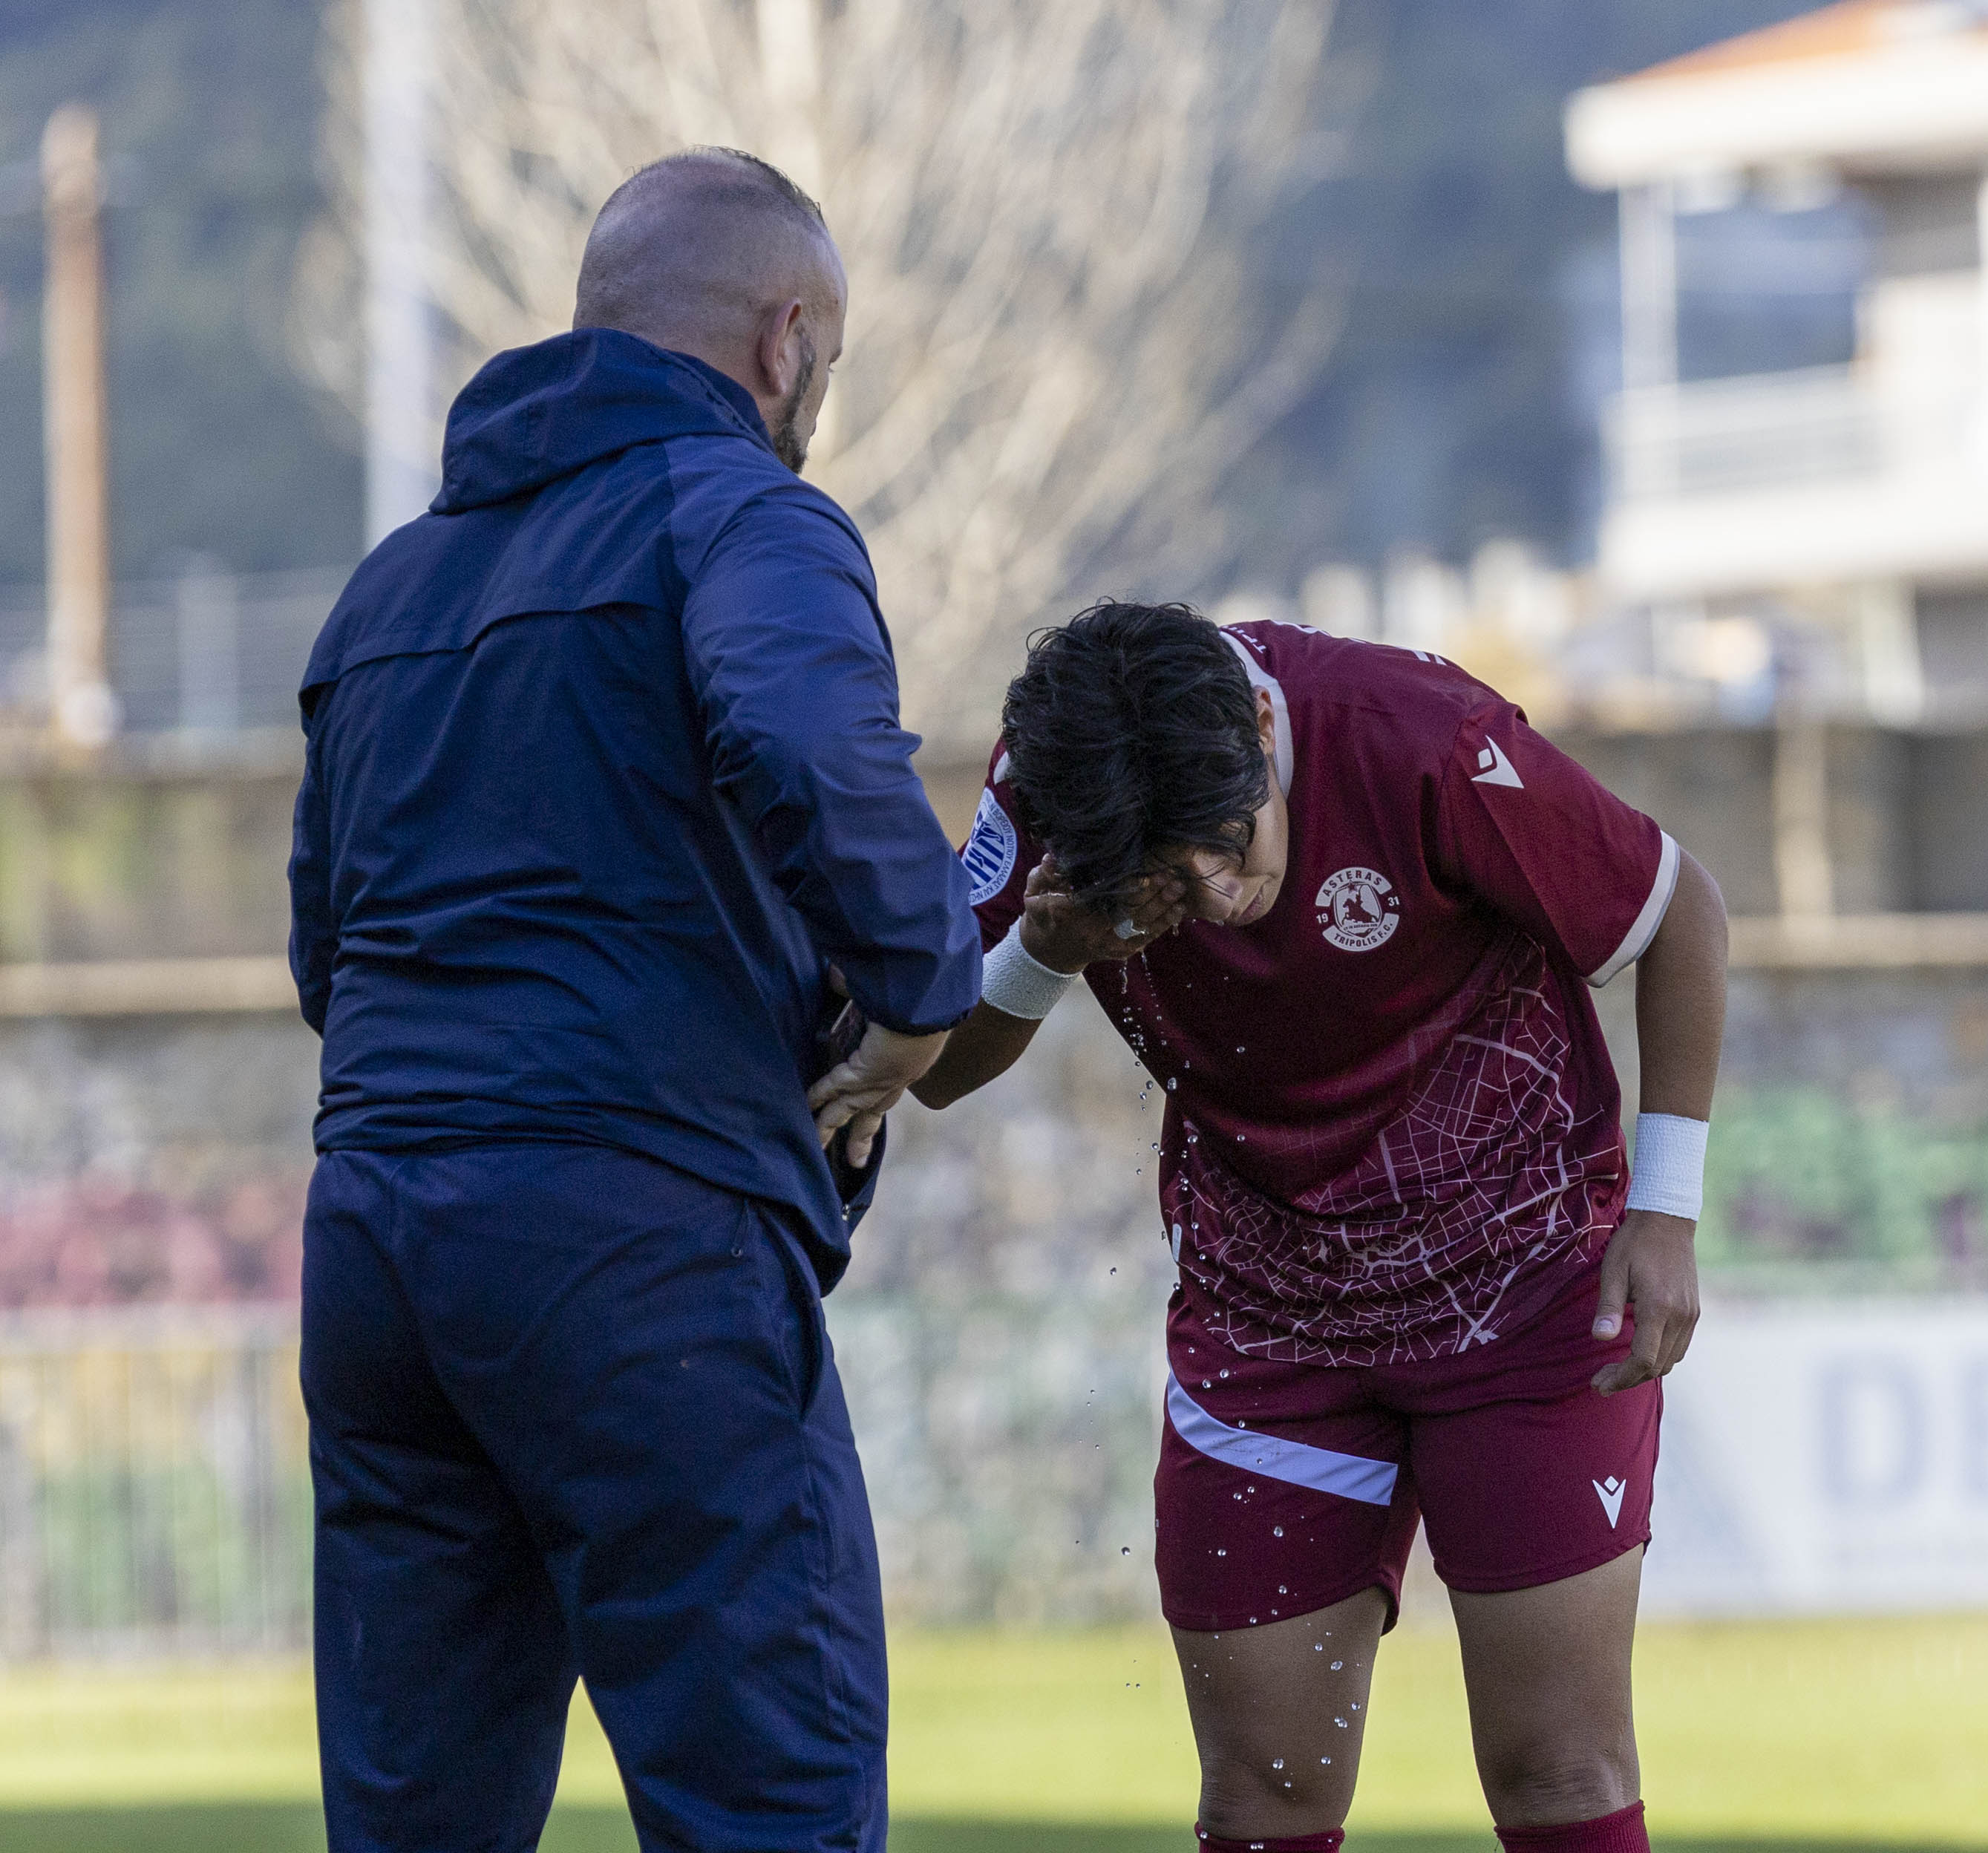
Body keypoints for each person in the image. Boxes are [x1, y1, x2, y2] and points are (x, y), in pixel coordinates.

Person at [288, 148, 977, 1853]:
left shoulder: (391, 584)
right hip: (639, 1232)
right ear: (786, 338)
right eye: (828, 359)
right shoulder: (743, 514)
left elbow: (326, 953)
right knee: (771, 1798)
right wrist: (918, 993)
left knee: (417, 1822)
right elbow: (808, 740)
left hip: (378, 1251)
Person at [914, 601, 1727, 1853]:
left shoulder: (1420, 737)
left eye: (1228, 843)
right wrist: (1043, 948)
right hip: (1268, 1323)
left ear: (1260, 723)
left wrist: (1666, 1212)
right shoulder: (1054, 785)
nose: (1218, 898)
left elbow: (1680, 912)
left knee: (1557, 1771)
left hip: (1522, 1289)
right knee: (1262, 1794)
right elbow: (935, 1069)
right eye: (1167, 879)